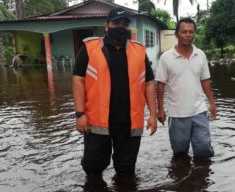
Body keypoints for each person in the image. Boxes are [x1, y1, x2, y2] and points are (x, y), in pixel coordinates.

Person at [72, 7, 157, 177]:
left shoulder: (139, 51)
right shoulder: (89, 48)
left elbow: (148, 83)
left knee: (126, 169)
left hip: (129, 121)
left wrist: (153, 115)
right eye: (116, 23)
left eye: (124, 24)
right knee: (93, 166)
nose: (120, 27)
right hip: (97, 120)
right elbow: (78, 80)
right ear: (106, 25)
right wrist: (80, 113)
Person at [156, 17, 217, 158]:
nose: (188, 35)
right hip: (177, 114)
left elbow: (205, 81)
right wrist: (160, 109)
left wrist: (212, 103)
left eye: (191, 32)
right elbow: (160, 85)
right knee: (180, 153)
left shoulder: (200, 55)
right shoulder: (166, 57)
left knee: (204, 151)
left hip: (199, 111)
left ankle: (202, 179)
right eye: (184, 32)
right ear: (177, 34)